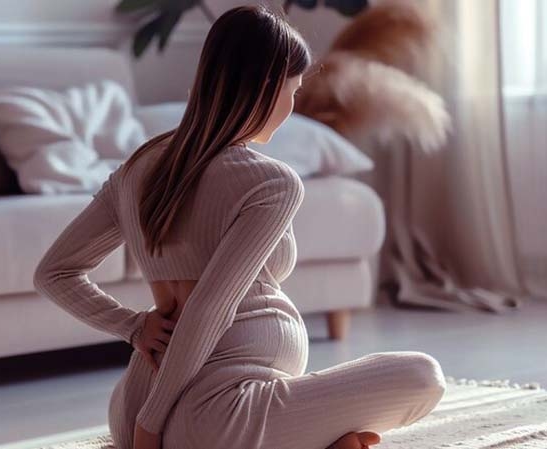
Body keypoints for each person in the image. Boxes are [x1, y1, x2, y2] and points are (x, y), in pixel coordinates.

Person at [33, 4, 446, 449]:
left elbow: (53, 273)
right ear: (267, 87)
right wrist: (150, 428)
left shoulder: (136, 168)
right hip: (214, 420)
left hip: (132, 406)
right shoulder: (270, 181)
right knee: (423, 375)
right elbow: (209, 308)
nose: (293, 105)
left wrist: (134, 330)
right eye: (293, 90)